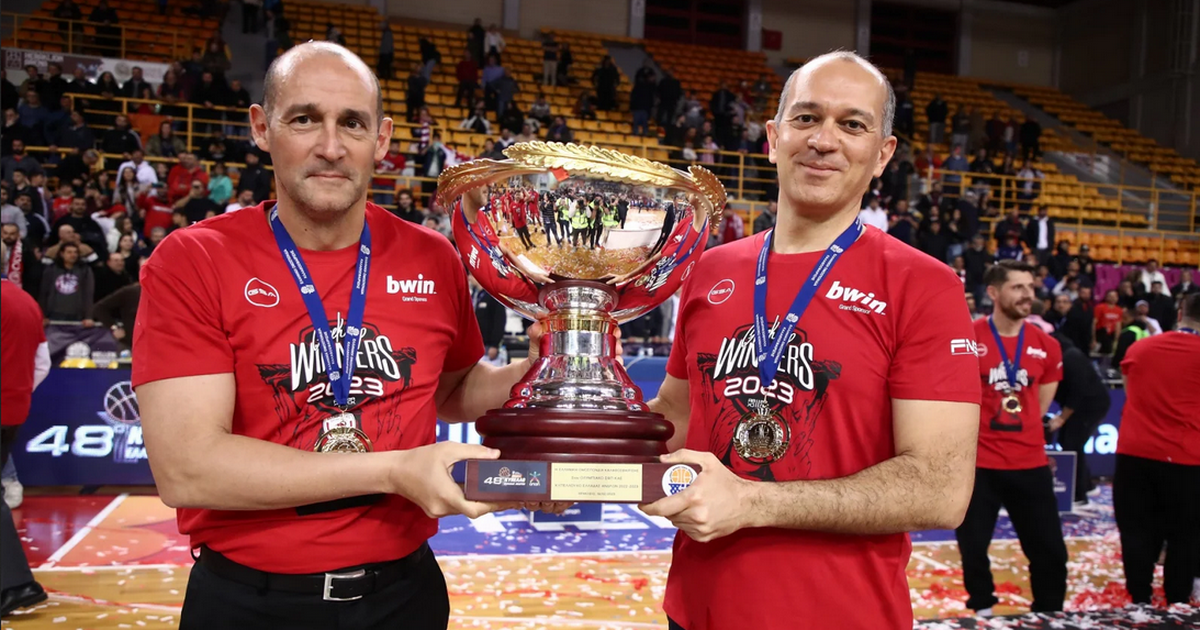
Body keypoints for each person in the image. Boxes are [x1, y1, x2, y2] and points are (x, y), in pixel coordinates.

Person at [131, 42, 553, 629]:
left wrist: (542, 370)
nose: (331, 147)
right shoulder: (195, 259)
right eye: (305, 119)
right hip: (251, 602)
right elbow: (187, 467)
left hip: (406, 594)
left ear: (381, 139)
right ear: (262, 128)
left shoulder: (433, 256)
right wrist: (392, 470)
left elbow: (453, 390)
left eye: (352, 123)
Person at [639, 51, 983, 630]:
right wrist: (571, 454)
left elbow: (940, 488)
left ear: (883, 155)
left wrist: (751, 503)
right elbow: (675, 414)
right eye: (806, 118)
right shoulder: (711, 269)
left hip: (840, 615)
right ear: (773, 138)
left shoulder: (924, 285)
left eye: (852, 124)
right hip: (695, 610)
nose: (824, 140)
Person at [957, 260, 1068, 615]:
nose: (1027, 295)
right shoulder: (967, 337)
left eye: (1030, 287)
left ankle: (1049, 612)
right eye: (1018, 287)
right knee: (973, 546)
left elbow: (1039, 406)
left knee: (1049, 549)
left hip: (1029, 462)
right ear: (993, 292)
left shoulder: (1047, 345)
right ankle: (982, 607)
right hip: (979, 464)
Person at [1114, 292, 1200, 605]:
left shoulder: (1141, 347)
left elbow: (1130, 392)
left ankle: (1139, 597)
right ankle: (1177, 601)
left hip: (1135, 453)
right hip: (1187, 458)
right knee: (1185, 534)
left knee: (1135, 530)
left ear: (1179, 313)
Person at [1, 243, 51, 616]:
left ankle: (15, 583)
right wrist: (17, 391)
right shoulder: (26, 301)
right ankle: (15, 582)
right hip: (14, 408)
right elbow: (42, 362)